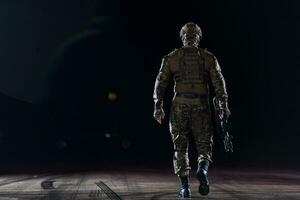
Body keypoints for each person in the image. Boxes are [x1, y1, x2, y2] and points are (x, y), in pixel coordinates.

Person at [153, 22, 230, 198]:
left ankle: (185, 187)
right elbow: (219, 83)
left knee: (180, 147)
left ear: (183, 36)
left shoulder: (172, 57)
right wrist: (223, 107)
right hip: (201, 105)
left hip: (179, 104)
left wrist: (158, 106)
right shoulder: (208, 57)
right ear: (198, 37)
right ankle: (202, 170)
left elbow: (160, 82)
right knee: (204, 145)